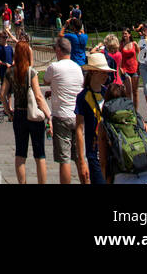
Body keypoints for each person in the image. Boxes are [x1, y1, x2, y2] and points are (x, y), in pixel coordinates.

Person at [1, 37, 51, 183]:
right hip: (34, 116)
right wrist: (48, 115)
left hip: (19, 114)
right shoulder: (31, 72)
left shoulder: (10, 72)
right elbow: (38, 96)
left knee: (20, 153)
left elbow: (2, 94)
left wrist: (8, 111)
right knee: (39, 154)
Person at [43, 35, 83, 185]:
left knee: (64, 159)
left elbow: (46, 80)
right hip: (77, 116)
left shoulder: (55, 67)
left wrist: (53, 88)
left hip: (61, 116)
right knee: (79, 156)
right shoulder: (78, 68)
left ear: (59, 50)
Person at [75, 51, 112, 185]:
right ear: (93, 72)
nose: (106, 75)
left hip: (110, 150)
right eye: (102, 72)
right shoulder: (83, 97)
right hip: (94, 153)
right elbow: (79, 129)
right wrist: (82, 161)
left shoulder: (107, 92)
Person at [119, 28, 139, 106]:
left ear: (129, 35)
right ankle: (129, 109)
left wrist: (139, 65)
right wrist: (120, 67)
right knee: (128, 91)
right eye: (123, 34)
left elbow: (140, 55)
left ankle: (135, 110)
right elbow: (118, 56)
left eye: (126, 34)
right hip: (125, 69)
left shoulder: (134, 44)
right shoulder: (121, 44)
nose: (124, 35)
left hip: (134, 68)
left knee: (135, 92)